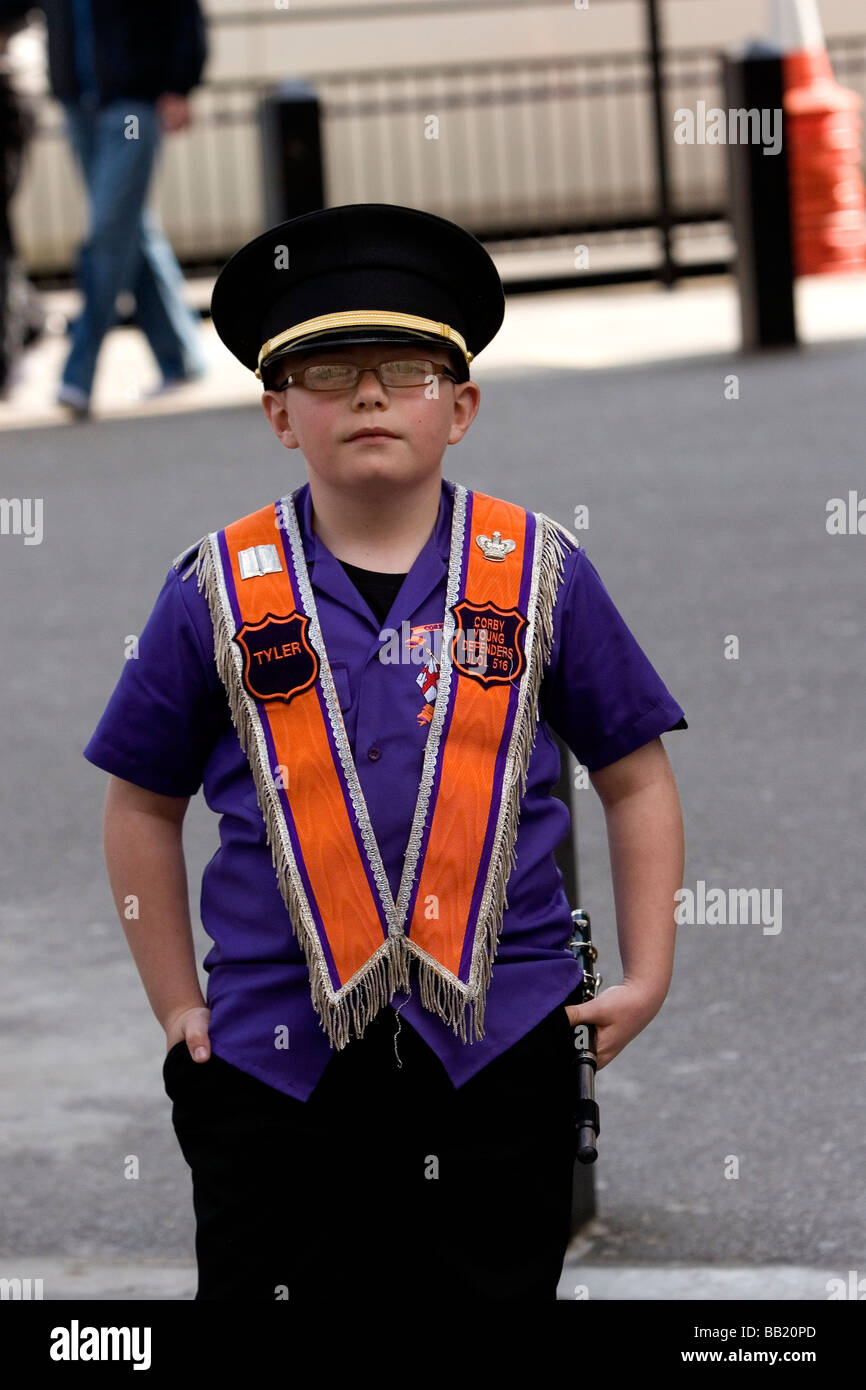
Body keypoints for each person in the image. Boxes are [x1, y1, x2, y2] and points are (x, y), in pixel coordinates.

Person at [83, 202, 687, 1302]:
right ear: (277, 412)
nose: (366, 392)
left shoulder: (538, 569)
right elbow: (140, 803)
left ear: (458, 407)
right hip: (271, 1060)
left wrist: (646, 975)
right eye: (324, 370)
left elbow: (633, 774)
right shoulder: (212, 588)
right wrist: (178, 1007)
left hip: (500, 1043)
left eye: (404, 368)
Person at [0, 0, 208, 417]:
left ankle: (77, 375)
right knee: (133, 230)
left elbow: (183, 14)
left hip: (133, 103)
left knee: (107, 237)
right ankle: (181, 358)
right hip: (78, 106)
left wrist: (180, 86)